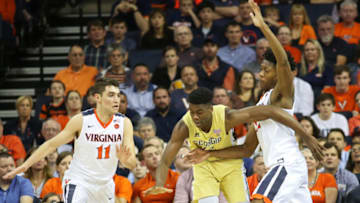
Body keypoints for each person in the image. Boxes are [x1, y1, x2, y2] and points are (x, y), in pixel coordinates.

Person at [176, 2, 324, 202]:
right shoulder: (261, 104)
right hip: (285, 169)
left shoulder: (282, 94)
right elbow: (246, 150)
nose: (260, 73)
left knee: (258, 200)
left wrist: (262, 25)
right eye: (260, 69)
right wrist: (208, 153)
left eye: (265, 70)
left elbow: (282, 61)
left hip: (285, 165)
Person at [146, 87, 321, 202]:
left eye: (199, 112)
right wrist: (159, 184)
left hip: (230, 165)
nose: (195, 117)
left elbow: (271, 110)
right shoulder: (184, 125)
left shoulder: (227, 116)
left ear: (211, 109)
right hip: (204, 167)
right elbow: (165, 160)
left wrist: (305, 135)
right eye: (192, 112)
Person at [4, 78, 137, 203]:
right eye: (111, 95)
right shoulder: (81, 120)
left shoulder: (124, 123)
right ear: (98, 98)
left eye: (118, 95)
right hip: (79, 181)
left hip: (105, 184)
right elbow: (51, 144)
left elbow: (132, 163)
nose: (116, 100)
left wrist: (125, 161)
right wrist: (25, 165)